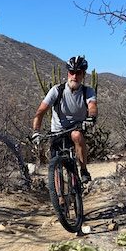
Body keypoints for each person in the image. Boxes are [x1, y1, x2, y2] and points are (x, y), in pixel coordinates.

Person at [31, 55, 98, 183]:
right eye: (71, 72)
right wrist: (36, 131)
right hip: (57, 131)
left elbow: (92, 106)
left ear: (83, 74)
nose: (74, 76)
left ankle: (83, 170)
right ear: (68, 73)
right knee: (55, 166)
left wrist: (91, 118)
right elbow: (40, 112)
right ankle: (59, 200)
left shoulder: (87, 91)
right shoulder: (57, 90)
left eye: (78, 73)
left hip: (76, 128)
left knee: (77, 135)